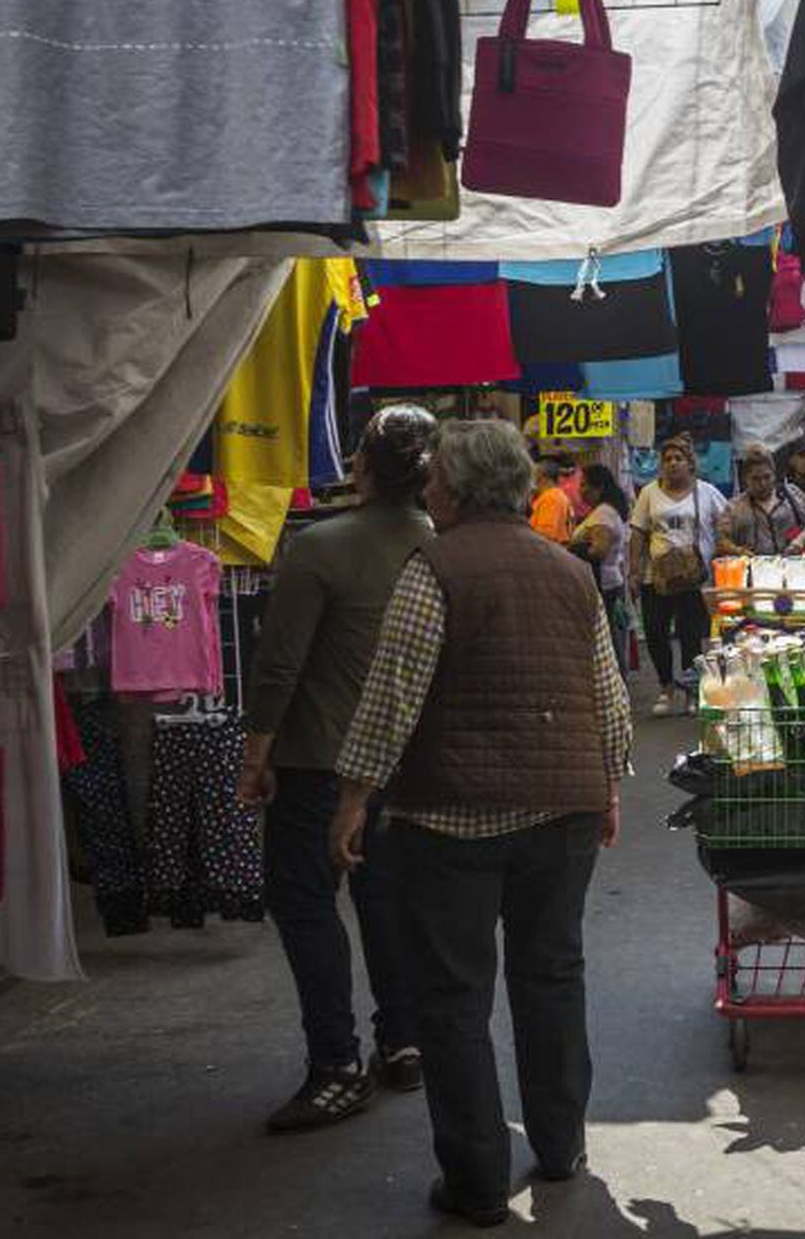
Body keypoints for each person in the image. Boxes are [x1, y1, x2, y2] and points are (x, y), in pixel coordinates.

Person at [328, 420, 631, 1227]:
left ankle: (476, 1182)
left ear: (458, 491)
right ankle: (561, 1144)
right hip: (562, 811)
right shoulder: (568, 571)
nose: (426, 491)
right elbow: (608, 696)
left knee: (454, 999)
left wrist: (355, 795)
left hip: (452, 818)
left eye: (434, 481)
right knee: (552, 975)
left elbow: (393, 692)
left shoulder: (435, 568)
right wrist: (607, 783)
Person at [238, 405, 437, 1133]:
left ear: (361, 466)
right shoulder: (439, 543)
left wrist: (255, 756)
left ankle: (336, 1065)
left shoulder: (321, 546)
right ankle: (405, 1039)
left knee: (304, 902)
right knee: (387, 900)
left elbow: (278, 665)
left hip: (320, 761)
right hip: (404, 763)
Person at [628, 436, 727, 717]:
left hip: (693, 576)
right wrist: (634, 571)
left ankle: (691, 691)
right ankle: (666, 687)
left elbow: (727, 519)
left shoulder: (706, 492)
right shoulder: (648, 493)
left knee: (690, 636)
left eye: (678, 459)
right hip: (655, 578)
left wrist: (722, 545)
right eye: (667, 459)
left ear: (690, 463)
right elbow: (638, 532)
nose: (673, 464)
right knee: (657, 631)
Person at [568, 464, 631, 669]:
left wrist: (571, 551)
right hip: (609, 582)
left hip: (603, 585)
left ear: (599, 487)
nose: (581, 490)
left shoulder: (603, 514)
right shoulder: (605, 512)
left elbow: (599, 550)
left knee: (608, 639)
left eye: (585, 485)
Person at [717, 445, 805, 557]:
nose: (762, 484)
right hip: (754, 567)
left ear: (774, 474)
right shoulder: (734, 507)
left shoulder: (792, 494)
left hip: (792, 566)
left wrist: (800, 540)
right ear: (745, 479)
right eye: (755, 479)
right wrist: (739, 551)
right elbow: (721, 542)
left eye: (767, 477)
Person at [528, 458, 574, 545]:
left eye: (533, 475)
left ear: (542, 477)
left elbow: (545, 535)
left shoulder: (551, 497)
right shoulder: (556, 495)